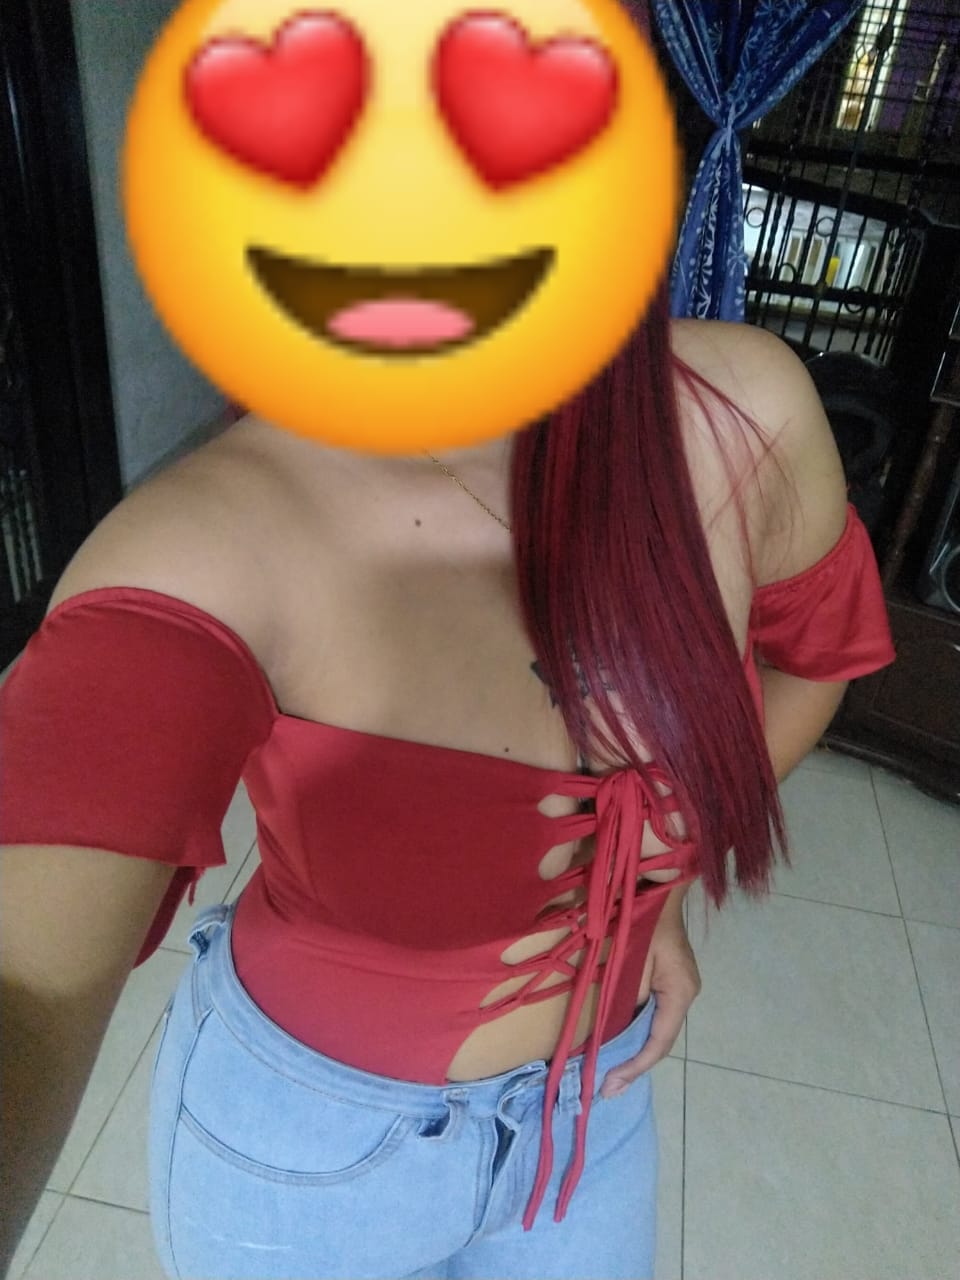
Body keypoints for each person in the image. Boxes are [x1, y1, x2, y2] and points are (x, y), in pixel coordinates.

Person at [0, 286, 896, 1279]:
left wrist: (657, 888)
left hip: (592, 1114)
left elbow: (816, 662)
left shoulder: (738, 410)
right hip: (310, 1155)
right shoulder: (217, 537)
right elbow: (26, 987)